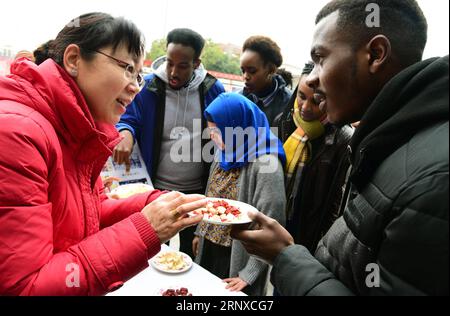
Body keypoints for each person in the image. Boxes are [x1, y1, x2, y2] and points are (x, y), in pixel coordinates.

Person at [232, 0, 448, 296]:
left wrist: (286, 257)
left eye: (321, 58)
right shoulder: (390, 146)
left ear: (375, 54)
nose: (310, 79)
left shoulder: (433, 180)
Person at [0, 13, 205, 296]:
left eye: (138, 75)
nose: (134, 86)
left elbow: (91, 213)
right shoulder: (16, 135)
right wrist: (144, 229)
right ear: (74, 60)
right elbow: (25, 288)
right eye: (126, 68)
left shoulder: (77, 133)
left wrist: (156, 203)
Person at [114, 28, 225, 258]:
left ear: (196, 63)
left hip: (196, 193)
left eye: (182, 65)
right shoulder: (148, 86)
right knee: (149, 254)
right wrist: (125, 132)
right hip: (155, 190)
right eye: (169, 62)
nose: (173, 71)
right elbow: (128, 117)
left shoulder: (212, 89)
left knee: (188, 257)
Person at [192, 93, 286, 296]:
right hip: (211, 247)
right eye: (211, 132)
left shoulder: (266, 164)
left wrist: (248, 274)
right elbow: (212, 194)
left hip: (238, 260)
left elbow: (273, 224)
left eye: (218, 132)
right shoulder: (224, 151)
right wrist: (201, 232)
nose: (212, 138)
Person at [278, 61, 353, 252]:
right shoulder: (284, 122)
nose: (305, 107)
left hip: (311, 235)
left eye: (316, 101)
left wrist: (324, 246)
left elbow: (337, 204)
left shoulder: (344, 140)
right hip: (277, 221)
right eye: (301, 96)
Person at [240, 36, 292, 126]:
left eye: (252, 71)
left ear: (271, 70)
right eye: (243, 71)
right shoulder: (238, 101)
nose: (245, 76)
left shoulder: (290, 105)